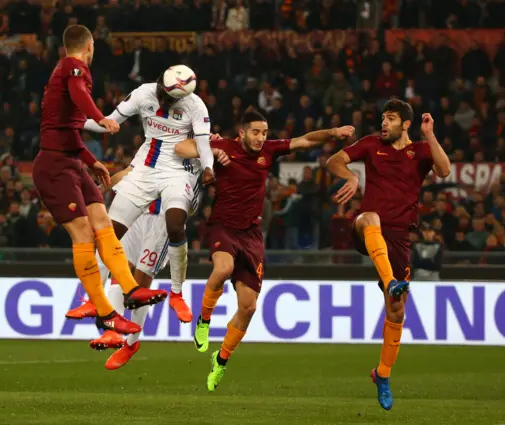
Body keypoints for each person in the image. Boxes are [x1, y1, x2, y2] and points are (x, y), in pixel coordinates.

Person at [174, 111, 355, 392]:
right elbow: (181, 147)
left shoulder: (268, 152)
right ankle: (204, 321)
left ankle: (220, 360)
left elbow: (304, 140)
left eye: (264, 132)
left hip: (252, 236)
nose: (261, 138)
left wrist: (332, 132)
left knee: (248, 307)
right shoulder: (225, 148)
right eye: (255, 132)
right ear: (242, 132)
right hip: (223, 227)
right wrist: (212, 151)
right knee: (223, 269)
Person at [32, 25, 167, 337]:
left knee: (104, 224)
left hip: (72, 161)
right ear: (89, 46)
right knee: (84, 235)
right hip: (54, 165)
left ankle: (130, 289)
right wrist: (101, 117)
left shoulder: (63, 74)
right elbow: (81, 97)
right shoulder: (73, 66)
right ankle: (104, 312)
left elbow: (68, 131)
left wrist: (92, 162)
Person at [325, 100, 451, 410]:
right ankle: (391, 281)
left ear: (405, 125)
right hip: (367, 229)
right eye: (383, 117)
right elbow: (333, 160)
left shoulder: (420, 151)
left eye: (391, 119)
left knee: (396, 312)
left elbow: (445, 171)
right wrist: (352, 177)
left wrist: (430, 135)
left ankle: (382, 374)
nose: (384, 123)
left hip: (397, 239)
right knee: (370, 217)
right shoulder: (371, 144)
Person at [82, 70, 215, 323]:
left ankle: (176, 294)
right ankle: (97, 304)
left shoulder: (196, 106)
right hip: (145, 181)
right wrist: (72, 123)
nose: (166, 103)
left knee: (172, 230)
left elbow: (204, 145)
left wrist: (208, 168)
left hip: (177, 177)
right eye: (165, 96)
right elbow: (110, 122)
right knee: (107, 237)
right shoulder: (143, 95)